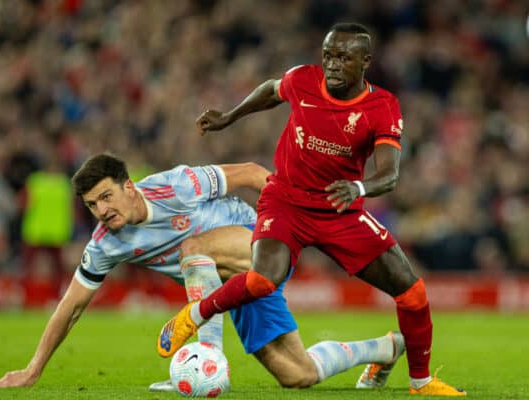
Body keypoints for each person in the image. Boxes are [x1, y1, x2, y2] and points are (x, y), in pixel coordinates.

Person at [157, 22, 466, 396]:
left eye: (343, 57)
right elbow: (271, 90)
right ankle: (195, 314)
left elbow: (389, 174)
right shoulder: (304, 80)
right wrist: (230, 116)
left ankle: (420, 382)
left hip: (340, 208)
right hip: (286, 201)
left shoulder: (382, 107)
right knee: (261, 280)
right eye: (328, 55)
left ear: (365, 62)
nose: (332, 65)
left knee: (413, 293)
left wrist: (357, 187)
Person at [0, 153, 406, 392]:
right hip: (229, 285)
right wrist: (34, 368)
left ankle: (205, 359)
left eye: (106, 197)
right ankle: (386, 349)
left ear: (128, 185)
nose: (102, 211)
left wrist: (294, 217)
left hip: (258, 244)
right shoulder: (105, 244)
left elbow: (248, 173)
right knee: (296, 374)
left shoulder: (175, 186)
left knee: (192, 248)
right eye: (93, 205)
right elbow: (71, 307)